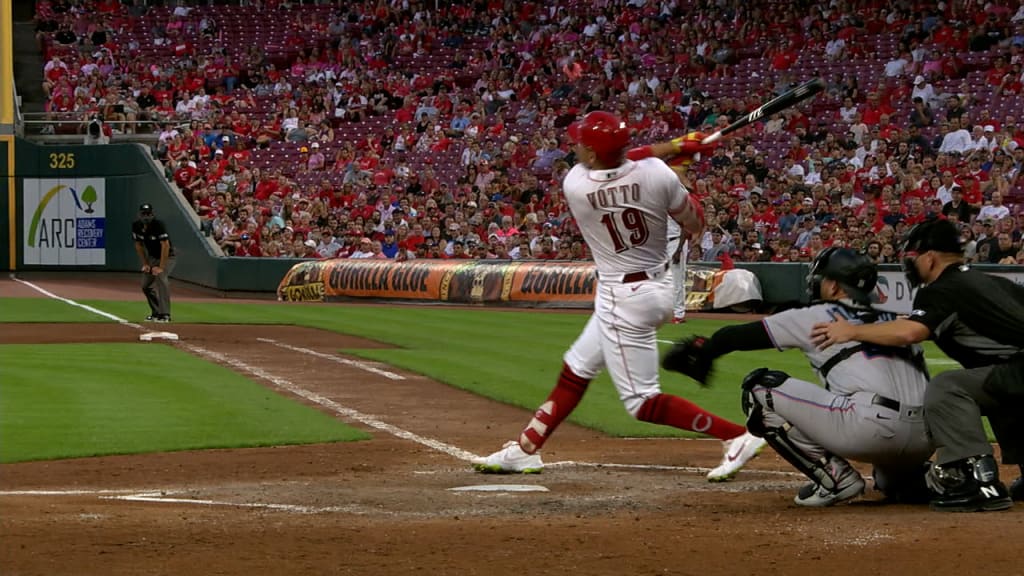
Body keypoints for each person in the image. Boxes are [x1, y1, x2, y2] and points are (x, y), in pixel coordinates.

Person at [472, 111, 766, 481]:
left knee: (642, 402)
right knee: (577, 367)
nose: (576, 147)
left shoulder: (576, 184)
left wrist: (670, 152)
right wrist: (679, 168)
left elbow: (630, 159)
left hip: (622, 298)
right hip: (654, 286)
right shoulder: (657, 174)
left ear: (593, 155)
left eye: (581, 144)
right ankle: (526, 449)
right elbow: (694, 222)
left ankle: (737, 436)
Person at [662, 248, 933, 506]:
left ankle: (836, 479)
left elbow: (738, 336)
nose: (816, 284)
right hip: (925, 437)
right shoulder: (894, 321)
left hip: (870, 431)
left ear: (835, 287)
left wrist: (705, 350)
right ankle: (916, 477)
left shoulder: (817, 315)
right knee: (889, 480)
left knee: (760, 388)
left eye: (821, 280)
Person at [811, 218, 1024, 512]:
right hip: (1015, 371)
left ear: (930, 256)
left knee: (949, 388)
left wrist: (851, 331)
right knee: (997, 390)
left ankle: (975, 480)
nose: (908, 264)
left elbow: (911, 332)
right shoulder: (988, 282)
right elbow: (912, 323)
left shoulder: (941, 288)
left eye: (911, 257)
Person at [132, 204, 176, 322]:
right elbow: (138, 245)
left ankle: (165, 314)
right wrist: (146, 264)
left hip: (167, 256)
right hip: (152, 257)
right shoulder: (136, 226)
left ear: (152, 214)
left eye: (148, 214)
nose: (146, 216)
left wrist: (161, 267)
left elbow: (165, 245)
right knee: (146, 285)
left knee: (161, 278)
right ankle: (156, 312)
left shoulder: (158, 225)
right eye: (144, 214)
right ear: (139, 215)